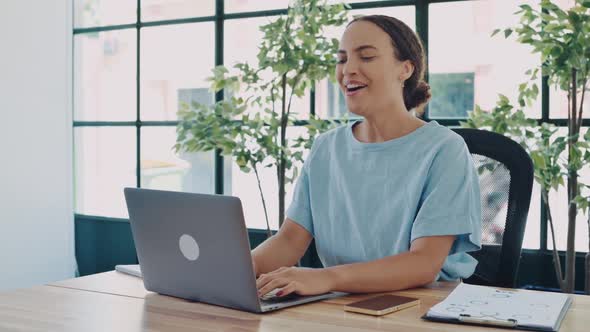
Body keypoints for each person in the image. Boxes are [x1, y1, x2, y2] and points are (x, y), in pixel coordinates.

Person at [253, 15, 481, 298]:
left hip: (421, 307)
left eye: (367, 57)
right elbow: (289, 240)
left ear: (405, 69)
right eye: (342, 59)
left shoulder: (444, 149)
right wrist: (232, 270)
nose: (348, 70)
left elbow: (424, 263)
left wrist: (327, 278)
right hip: (340, 305)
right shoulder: (325, 148)